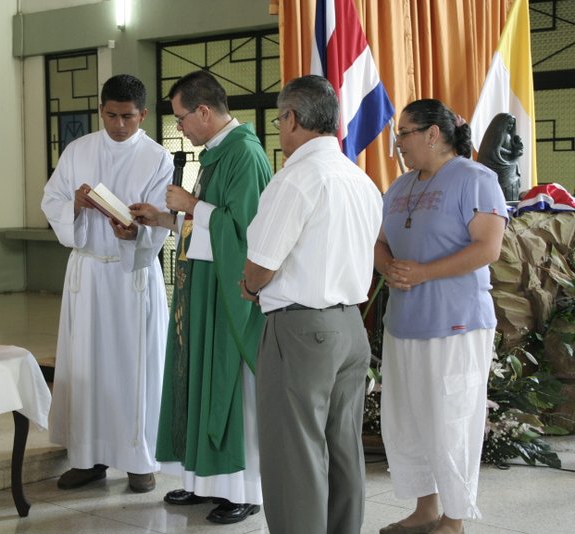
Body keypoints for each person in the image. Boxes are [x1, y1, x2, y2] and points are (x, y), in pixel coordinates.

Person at [242, 75, 383, 534]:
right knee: (342, 447)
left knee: (294, 453)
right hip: (350, 328)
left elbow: (262, 263)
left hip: (301, 329)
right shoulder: (359, 179)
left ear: (291, 119)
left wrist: (250, 286)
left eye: (279, 120)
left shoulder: (296, 179)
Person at [130, 70, 271, 525]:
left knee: (229, 386)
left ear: (205, 112)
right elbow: (208, 224)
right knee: (199, 381)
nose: (180, 127)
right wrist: (163, 218)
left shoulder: (245, 154)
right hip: (203, 290)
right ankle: (204, 482)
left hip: (230, 294)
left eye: (181, 117)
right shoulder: (215, 154)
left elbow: (247, 232)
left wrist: (191, 206)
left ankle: (243, 489)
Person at [374, 99, 507, 534]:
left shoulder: (476, 179)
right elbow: (378, 240)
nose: (399, 143)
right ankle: (425, 509)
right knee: (408, 420)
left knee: (451, 420)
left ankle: (454, 518)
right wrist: (388, 267)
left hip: (456, 323)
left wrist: (424, 272)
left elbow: (488, 248)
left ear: (433, 134)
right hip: (404, 322)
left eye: (405, 134)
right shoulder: (399, 187)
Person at [41, 74, 172, 494]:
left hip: (131, 275)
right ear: (100, 110)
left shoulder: (157, 157)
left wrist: (135, 232)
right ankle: (88, 458)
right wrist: (75, 206)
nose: (118, 125)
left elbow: (162, 219)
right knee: (87, 368)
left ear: (143, 114)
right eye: (111, 115)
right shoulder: (78, 151)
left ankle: (139, 461)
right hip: (89, 275)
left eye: (127, 117)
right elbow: (51, 199)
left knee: (134, 368)